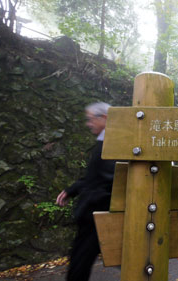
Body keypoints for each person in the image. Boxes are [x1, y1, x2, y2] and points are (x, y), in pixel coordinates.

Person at [56, 102, 116, 281]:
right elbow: (95, 176)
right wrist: (71, 190)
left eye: (90, 119)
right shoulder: (108, 140)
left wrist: (88, 201)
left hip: (96, 214)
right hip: (98, 212)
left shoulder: (110, 143)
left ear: (104, 118)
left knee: (80, 261)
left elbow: (107, 179)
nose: (88, 124)